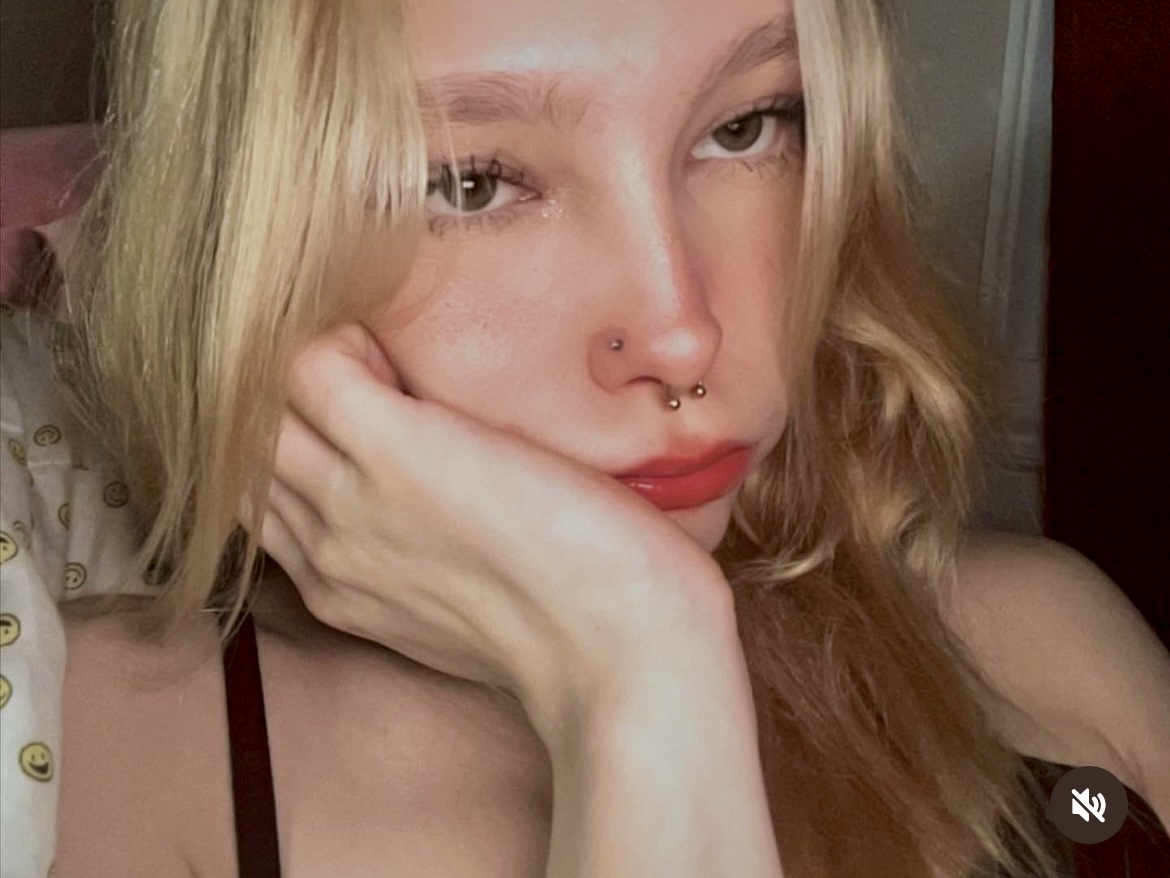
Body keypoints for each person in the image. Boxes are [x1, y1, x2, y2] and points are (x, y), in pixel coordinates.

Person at [0, 0, 1167, 875]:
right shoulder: (115, 755)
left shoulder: (1035, 639)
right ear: (241, 247)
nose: (680, 329)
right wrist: (641, 668)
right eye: (470, 183)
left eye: (746, 126)